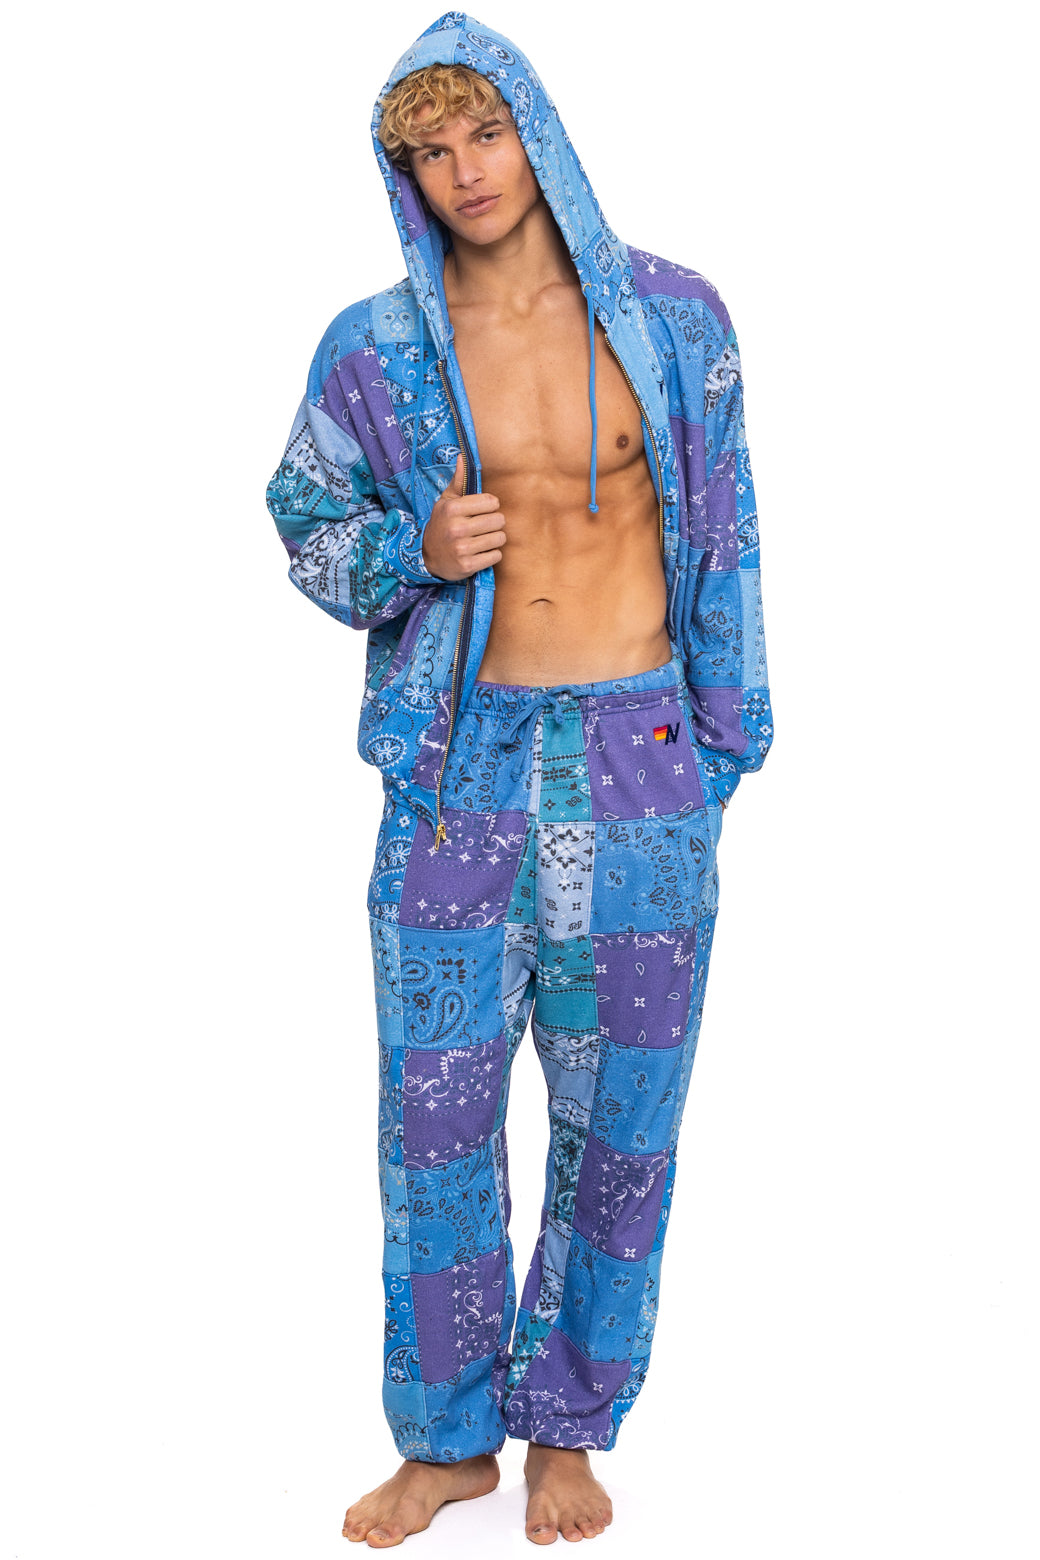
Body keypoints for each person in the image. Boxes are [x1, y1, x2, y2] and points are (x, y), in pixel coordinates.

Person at [266, 12, 773, 1548]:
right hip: (458, 769)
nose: (464, 171)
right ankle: (445, 1442)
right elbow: (304, 518)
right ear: (402, 175)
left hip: (640, 757)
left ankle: (568, 1427)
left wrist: (720, 747)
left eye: (482, 133)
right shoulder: (374, 350)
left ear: (535, 133)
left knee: (623, 1124)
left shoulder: (676, 318)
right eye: (428, 151)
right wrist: (410, 550)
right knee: (433, 1127)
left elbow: (729, 531)